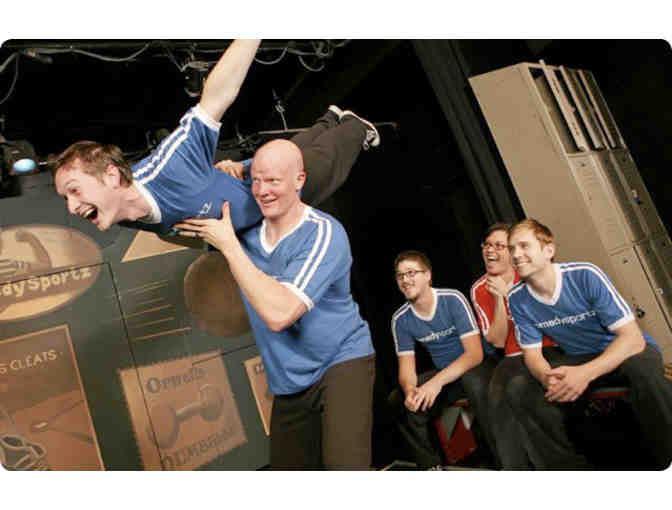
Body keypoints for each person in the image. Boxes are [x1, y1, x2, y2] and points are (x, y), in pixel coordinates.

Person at [173, 138, 375, 470]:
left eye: (273, 181)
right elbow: (174, 217)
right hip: (288, 381)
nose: (262, 191)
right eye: (256, 180)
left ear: (299, 180)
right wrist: (222, 176)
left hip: (340, 362)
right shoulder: (246, 231)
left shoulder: (323, 234)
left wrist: (229, 246)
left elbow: (280, 315)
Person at [51, 39, 379, 237]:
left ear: (111, 176)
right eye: (65, 198)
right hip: (247, 183)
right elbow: (171, 224)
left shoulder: (172, 165)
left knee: (323, 170)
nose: (71, 207)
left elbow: (216, 98)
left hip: (272, 188)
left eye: (74, 190)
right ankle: (329, 119)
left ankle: (355, 126)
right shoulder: (120, 213)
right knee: (293, 149)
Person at [506, 218, 672, 469]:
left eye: (524, 246)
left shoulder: (584, 275)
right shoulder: (517, 298)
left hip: (624, 350)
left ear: (549, 250)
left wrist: (584, 374)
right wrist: (546, 378)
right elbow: (533, 356)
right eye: (512, 249)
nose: (516, 254)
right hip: (580, 357)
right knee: (519, 387)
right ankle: (571, 471)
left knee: (642, 369)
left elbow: (632, 338)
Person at [388, 250, 496, 469]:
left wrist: (435, 383)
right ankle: (431, 467)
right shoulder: (400, 319)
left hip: (477, 366)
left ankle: (503, 462)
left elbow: (474, 354)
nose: (405, 280)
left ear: (428, 275)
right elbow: (406, 369)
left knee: (473, 383)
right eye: (400, 276)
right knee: (397, 399)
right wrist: (410, 390)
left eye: (411, 273)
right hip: (447, 376)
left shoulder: (451, 299)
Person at [470, 222, 556, 469]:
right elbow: (497, 340)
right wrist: (500, 300)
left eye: (499, 246)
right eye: (487, 245)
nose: (490, 251)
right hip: (513, 356)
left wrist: (509, 293)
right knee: (497, 397)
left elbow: (545, 319)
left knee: (525, 393)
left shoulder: (530, 273)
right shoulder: (479, 288)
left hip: (548, 348)